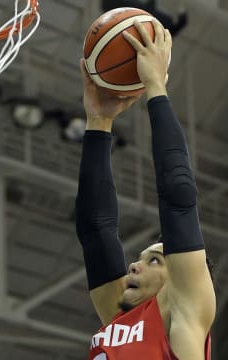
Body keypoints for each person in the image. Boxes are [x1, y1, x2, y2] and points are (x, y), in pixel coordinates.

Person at [75, 19, 216, 360]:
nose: (133, 267)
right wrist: (98, 122)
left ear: (182, 278)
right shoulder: (119, 318)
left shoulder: (183, 310)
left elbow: (178, 199)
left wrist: (155, 87)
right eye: (140, 260)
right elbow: (96, 231)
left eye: (154, 260)